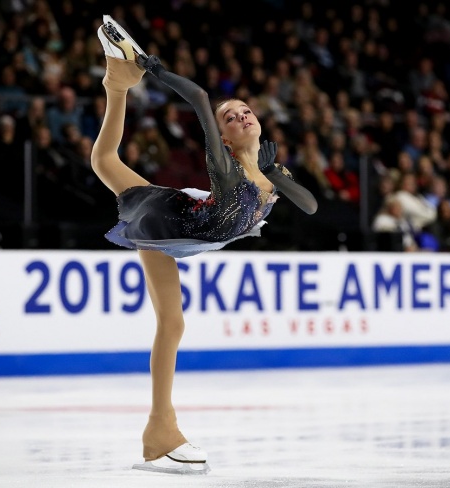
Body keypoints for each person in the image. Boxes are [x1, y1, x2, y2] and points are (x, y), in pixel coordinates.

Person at [92, 16, 317, 474]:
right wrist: (152, 69)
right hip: (168, 223)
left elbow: (310, 206)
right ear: (226, 139)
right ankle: (160, 430)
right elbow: (197, 98)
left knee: (103, 161)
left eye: (245, 109)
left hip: (189, 225)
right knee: (171, 324)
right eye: (229, 117)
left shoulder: (269, 176)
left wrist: (276, 174)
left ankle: (115, 84)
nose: (240, 115)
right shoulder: (227, 170)